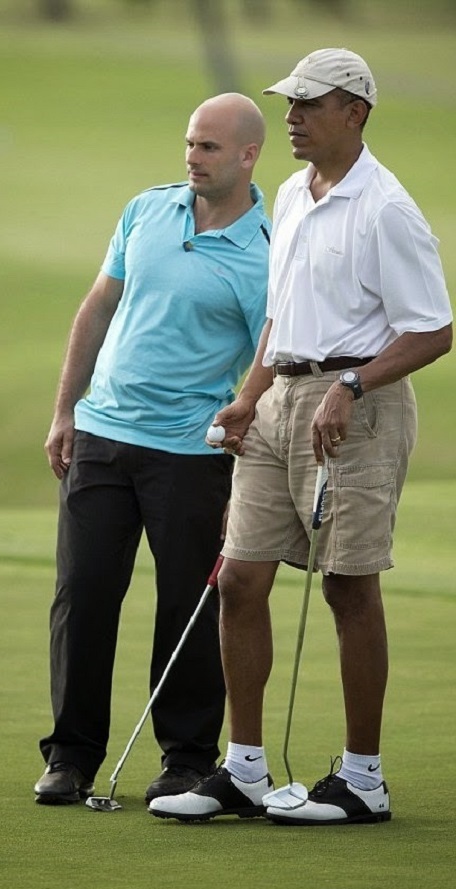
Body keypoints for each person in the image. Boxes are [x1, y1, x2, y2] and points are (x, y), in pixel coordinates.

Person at [148, 48, 452, 825]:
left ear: (355, 113)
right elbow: (281, 314)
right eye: (288, 103)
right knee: (241, 578)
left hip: (360, 402)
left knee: (348, 584)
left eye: (308, 105)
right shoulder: (288, 190)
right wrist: (250, 397)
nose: (291, 117)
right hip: (282, 397)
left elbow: (434, 329)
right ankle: (244, 770)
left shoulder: (386, 208)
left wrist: (352, 385)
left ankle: (362, 780)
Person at [34, 93, 271, 806]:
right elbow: (97, 307)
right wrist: (65, 409)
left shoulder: (266, 254)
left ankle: (189, 759)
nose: (192, 157)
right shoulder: (145, 209)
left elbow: (270, 356)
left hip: (190, 455)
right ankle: (70, 755)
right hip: (104, 434)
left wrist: (248, 422)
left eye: (208, 147)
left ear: (248, 155)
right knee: (84, 595)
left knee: (187, 609)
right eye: (190, 143)